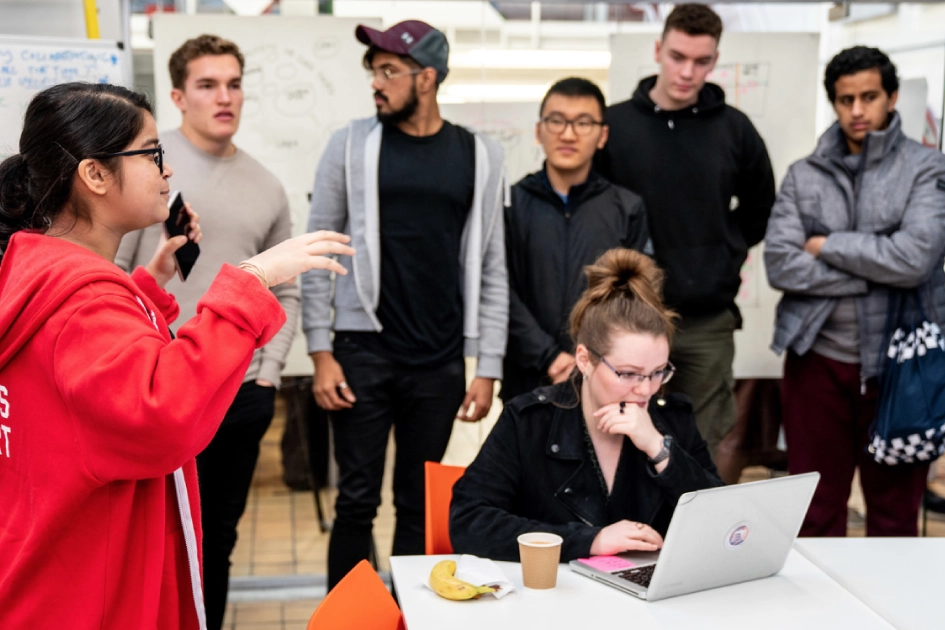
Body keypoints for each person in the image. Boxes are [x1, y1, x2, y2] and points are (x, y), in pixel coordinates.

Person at [0, 82, 352, 628]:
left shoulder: (37, 270)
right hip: (87, 595)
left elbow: (91, 375)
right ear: (94, 175)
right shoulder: (83, 300)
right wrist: (252, 282)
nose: (167, 172)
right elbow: (163, 412)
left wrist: (147, 283)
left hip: (50, 568)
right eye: (151, 154)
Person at [300, 20, 508, 589]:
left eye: (389, 71)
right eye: (374, 70)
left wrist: (486, 365)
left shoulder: (481, 155)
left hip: (439, 360)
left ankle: (411, 617)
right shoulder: (350, 145)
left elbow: (493, 265)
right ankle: (347, 624)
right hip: (362, 351)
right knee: (356, 501)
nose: (377, 82)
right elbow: (319, 247)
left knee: (419, 504)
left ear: (428, 77)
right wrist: (320, 351)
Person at [114, 34, 299, 628]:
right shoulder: (142, 171)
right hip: (155, 389)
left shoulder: (267, 185)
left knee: (215, 540)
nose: (225, 97)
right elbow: (111, 274)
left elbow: (285, 287)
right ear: (177, 96)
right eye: (207, 85)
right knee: (151, 540)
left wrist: (268, 377)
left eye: (234, 83)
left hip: (238, 391)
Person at [764, 46, 945, 537]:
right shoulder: (805, 174)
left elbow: (916, 259)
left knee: (894, 515)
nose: (858, 110)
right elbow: (780, 263)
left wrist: (826, 246)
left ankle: (892, 615)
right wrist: (879, 265)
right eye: (846, 99)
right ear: (834, 102)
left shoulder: (926, 167)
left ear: (891, 97)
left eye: (869, 97)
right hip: (816, 361)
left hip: (900, 367)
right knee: (814, 512)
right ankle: (819, 616)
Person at [450, 249, 722, 561]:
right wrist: (589, 541)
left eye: (658, 372)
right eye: (628, 373)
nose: (645, 389)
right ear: (585, 360)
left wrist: (660, 449)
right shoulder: (529, 420)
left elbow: (723, 522)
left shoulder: (671, 419)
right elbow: (468, 523)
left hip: (648, 604)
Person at [595, 3, 775, 460]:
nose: (687, 72)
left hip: (705, 320)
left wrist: (723, 250)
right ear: (658, 50)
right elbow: (592, 211)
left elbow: (760, 207)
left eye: (701, 61)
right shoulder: (614, 126)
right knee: (613, 437)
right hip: (626, 315)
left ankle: (693, 534)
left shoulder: (734, 129)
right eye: (677, 57)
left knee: (701, 445)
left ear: (715, 61)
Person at [502, 77, 650, 402]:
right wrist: (548, 357)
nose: (568, 134)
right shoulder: (511, 204)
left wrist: (593, 357)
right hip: (526, 377)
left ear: (602, 136)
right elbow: (499, 290)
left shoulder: (626, 208)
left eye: (583, 123)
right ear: (539, 131)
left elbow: (634, 297)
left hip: (603, 377)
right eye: (556, 121)